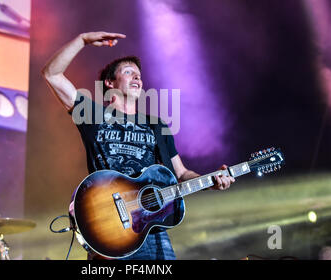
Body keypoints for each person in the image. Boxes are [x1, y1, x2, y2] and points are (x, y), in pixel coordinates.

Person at [42, 31, 235, 260]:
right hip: (107, 228)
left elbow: (181, 173)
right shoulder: (93, 115)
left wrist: (211, 181)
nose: (137, 78)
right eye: (128, 72)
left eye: (139, 75)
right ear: (110, 83)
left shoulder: (157, 125)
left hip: (150, 231)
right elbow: (51, 74)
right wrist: (82, 40)